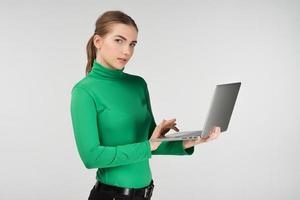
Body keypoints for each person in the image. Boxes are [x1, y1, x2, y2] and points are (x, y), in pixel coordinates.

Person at [70, 10, 221, 200]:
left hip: (145, 194)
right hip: (112, 196)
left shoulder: (138, 84)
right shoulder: (84, 91)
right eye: (119, 40)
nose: (127, 51)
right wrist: (149, 146)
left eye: (132, 44)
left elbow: (152, 143)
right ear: (98, 41)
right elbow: (91, 157)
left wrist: (191, 141)